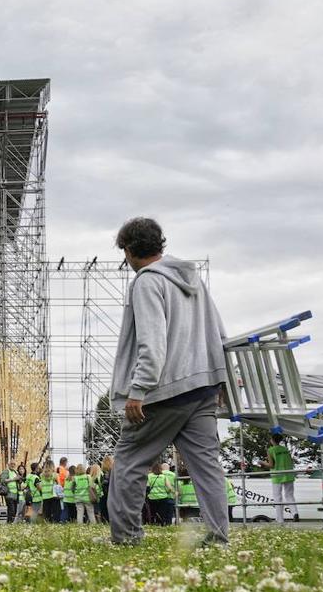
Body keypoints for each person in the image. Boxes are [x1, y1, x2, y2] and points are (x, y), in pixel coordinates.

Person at [107, 217, 230, 546]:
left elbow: (153, 344)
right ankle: (219, 538)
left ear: (130, 250)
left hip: (163, 392)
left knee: (130, 462)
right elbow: (218, 331)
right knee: (207, 466)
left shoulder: (147, 282)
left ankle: (126, 536)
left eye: (125, 254)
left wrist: (138, 391)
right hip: (204, 386)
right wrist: (224, 378)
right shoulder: (192, 279)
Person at [267, 433, 296, 523]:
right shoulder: (285, 449)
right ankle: (295, 512)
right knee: (289, 495)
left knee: (277, 497)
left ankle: (280, 519)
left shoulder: (270, 450)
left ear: (272, 440)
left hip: (277, 476)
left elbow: (271, 465)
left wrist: (261, 462)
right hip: (288, 474)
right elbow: (291, 461)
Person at [98, 456, 114, 522]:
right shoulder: (114, 471)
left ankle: (104, 521)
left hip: (103, 493)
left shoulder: (100, 472)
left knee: (103, 509)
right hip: (112, 493)